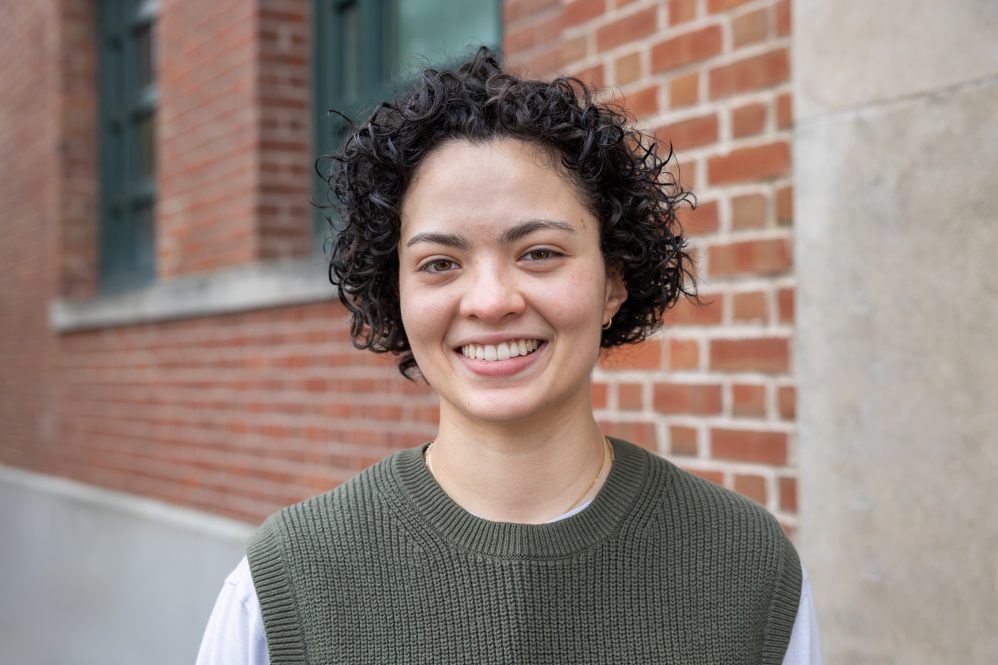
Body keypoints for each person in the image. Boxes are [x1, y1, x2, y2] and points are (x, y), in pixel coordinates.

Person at [196, 47, 821, 664]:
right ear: (397, 296)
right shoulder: (281, 589)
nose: (491, 302)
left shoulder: (749, 569)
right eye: (440, 264)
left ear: (614, 281)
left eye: (540, 253)